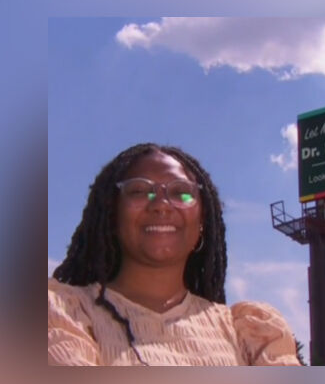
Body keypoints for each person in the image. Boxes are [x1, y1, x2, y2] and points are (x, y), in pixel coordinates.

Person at [48, 143, 301, 366]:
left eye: (181, 192)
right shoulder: (63, 315)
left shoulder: (250, 334)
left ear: (203, 221)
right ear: (111, 214)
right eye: (139, 191)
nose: (160, 204)